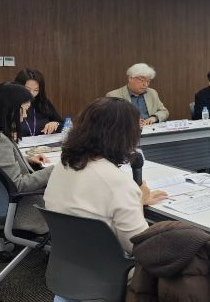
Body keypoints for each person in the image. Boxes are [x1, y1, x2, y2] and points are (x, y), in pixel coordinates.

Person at [44, 97, 167, 253]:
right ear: (124, 136)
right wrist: (139, 201)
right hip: (111, 264)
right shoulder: (117, 182)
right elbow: (139, 246)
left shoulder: (64, 165)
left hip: (67, 257)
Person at [0, 83, 54, 234]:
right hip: (19, 213)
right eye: (24, 110)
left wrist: (27, 160)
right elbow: (19, 185)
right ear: (11, 110)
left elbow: (2, 171)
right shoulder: (0, 141)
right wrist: (53, 170)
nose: (25, 116)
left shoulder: (0, 137)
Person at [14, 69, 63, 136]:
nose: (31, 93)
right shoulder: (9, 105)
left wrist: (55, 124)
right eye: (27, 89)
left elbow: (62, 124)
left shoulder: (43, 103)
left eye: (36, 90)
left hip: (43, 142)